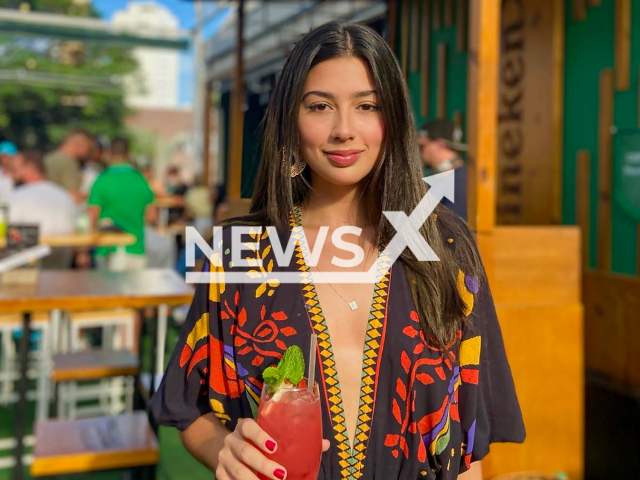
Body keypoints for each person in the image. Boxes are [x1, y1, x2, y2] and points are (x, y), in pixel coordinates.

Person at [150, 23, 524, 480]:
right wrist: (226, 448)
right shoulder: (240, 255)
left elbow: (465, 445)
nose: (344, 130)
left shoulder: (446, 246)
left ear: (395, 121)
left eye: (367, 106)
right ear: (291, 118)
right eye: (320, 106)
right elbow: (188, 407)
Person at [87, 136, 154, 271]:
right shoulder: (141, 180)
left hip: (107, 251)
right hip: (136, 249)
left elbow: (92, 216)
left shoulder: (102, 180)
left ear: (109, 153)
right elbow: (152, 216)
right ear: (128, 154)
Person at [8, 150, 77, 268]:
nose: (10, 174)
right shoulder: (65, 196)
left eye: (14, 169)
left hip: (27, 268)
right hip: (61, 268)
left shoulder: (17, 197)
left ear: (30, 168)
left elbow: (9, 233)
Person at [418, 119, 468, 221]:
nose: (419, 152)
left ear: (440, 145)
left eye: (422, 146)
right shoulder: (459, 177)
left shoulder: (458, 182)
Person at [44, 130, 95, 202]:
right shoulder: (68, 162)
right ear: (79, 145)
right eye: (88, 148)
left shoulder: (49, 158)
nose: (88, 152)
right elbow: (73, 195)